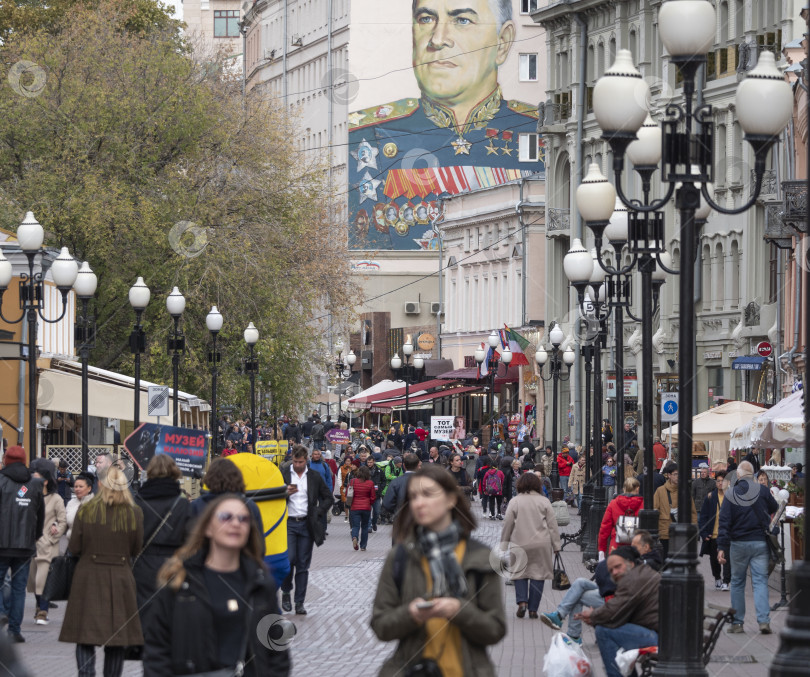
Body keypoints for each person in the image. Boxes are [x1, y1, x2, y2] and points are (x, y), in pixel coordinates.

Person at [370, 465, 506, 676]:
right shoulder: (400, 557)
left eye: (428, 494)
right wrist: (411, 613)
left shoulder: (480, 557)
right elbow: (381, 625)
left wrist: (458, 610)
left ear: (451, 499)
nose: (419, 503)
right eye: (413, 496)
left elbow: (495, 629)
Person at [143, 494, 291, 676]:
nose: (236, 523)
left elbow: (277, 653)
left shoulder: (260, 583)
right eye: (225, 517)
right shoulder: (180, 580)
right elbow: (156, 651)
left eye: (243, 519)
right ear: (208, 528)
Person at [59, 467, 143, 676]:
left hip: (88, 576)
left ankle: (86, 674)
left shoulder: (86, 510)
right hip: (121, 577)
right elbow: (136, 549)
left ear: (99, 485)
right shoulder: (134, 512)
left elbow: (74, 547)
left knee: (84, 634)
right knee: (117, 638)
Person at [576, 546, 660, 677]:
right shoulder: (640, 573)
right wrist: (595, 618)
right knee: (610, 628)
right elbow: (618, 613)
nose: (614, 572)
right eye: (611, 570)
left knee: (604, 631)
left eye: (618, 566)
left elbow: (614, 611)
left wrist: (593, 616)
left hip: (661, 639)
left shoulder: (634, 579)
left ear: (630, 563)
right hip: (661, 634)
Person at [718, 460, 779, 634]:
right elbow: (775, 508)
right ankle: (764, 621)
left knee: (737, 583)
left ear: (737, 475)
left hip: (738, 543)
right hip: (760, 542)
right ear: (752, 475)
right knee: (760, 582)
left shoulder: (731, 494)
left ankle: (738, 623)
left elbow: (724, 522)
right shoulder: (764, 491)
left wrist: (721, 546)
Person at [133, 455, 193, 630]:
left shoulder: (138, 502)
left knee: (145, 608)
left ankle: (147, 649)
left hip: (143, 561)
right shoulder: (181, 504)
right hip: (174, 562)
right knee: (171, 609)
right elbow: (191, 539)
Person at [499, 472, 560, 619]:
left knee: (520, 573)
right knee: (538, 575)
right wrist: (556, 545)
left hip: (519, 542)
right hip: (541, 543)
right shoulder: (544, 501)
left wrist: (503, 544)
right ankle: (533, 609)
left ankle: (522, 602)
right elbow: (552, 525)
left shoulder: (515, 501)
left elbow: (508, 523)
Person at [280, 446, 333, 615]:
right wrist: (284, 492)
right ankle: (286, 591)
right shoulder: (284, 474)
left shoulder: (314, 476)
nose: (297, 465)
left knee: (303, 564)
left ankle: (299, 602)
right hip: (288, 523)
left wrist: (318, 511)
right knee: (289, 560)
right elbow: (272, 495)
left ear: (306, 459)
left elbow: (328, 497)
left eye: (300, 462)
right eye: (295, 462)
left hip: (306, 524)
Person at [0, 445, 45, 642]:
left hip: (1, 544)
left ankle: (2, 613)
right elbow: (40, 514)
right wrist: (35, 536)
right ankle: (14, 630)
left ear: (5, 460)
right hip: (25, 546)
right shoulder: (35, 484)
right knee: (19, 589)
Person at [26, 459, 66, 626]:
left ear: (46, 480)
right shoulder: (28, 495)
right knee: (33, 581)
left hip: (47, 545)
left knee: (43, 579)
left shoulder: (56, 499)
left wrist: (52, 536)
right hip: (29, 545)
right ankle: (38, 607)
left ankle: (43, 611)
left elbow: (62, 521)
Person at [653, 462, 697, 559]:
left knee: (679, 559)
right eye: (675, 474)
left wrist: (694, 530)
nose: (678, 477)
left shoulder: (685, 491)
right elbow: (655, 510)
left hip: (681, 530)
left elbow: (692, 512)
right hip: (665, 530)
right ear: (669, 475)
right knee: (666, 559)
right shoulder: (660, 491)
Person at [698, 469, 731, 591]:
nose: (720, 483)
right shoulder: (710, 497)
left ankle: (726, 581)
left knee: (727, 559)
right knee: (714, 559)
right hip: (713, 533)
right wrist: (704, 532)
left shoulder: (731, 497)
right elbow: (703, 516)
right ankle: (717, 578)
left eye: (723, 481)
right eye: (718, 481)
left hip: (727, 534)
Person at [598, 477, 644, 559]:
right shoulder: (643, 504)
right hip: (637, 546)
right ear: (637, 489)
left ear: (623, 489)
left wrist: (602, 549)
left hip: (616, 545)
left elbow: (605, 528)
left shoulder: (613, 503)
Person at [383, 453, 421, 530]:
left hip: (400, 519)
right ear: (418, 465)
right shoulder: (424, 481)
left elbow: (387, 503)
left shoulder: (396, 482)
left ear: (404, 465)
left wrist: (397, 510)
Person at [348, 465, 376, 551]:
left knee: (355, 526)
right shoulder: (370, 483)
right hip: (366, 508)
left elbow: (348, 495)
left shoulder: (352, 481)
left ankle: (354, 537)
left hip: (354, 508)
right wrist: (369, 503)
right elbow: (373, 497)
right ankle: (363, 546)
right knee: (364, 527)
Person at [65, 472, 94, 541]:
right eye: (76, 487)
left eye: (81, 487)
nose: (77, 489)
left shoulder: (95, 504)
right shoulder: (71, 503)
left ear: (89, 488)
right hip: (72, 543)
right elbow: (64, 521)